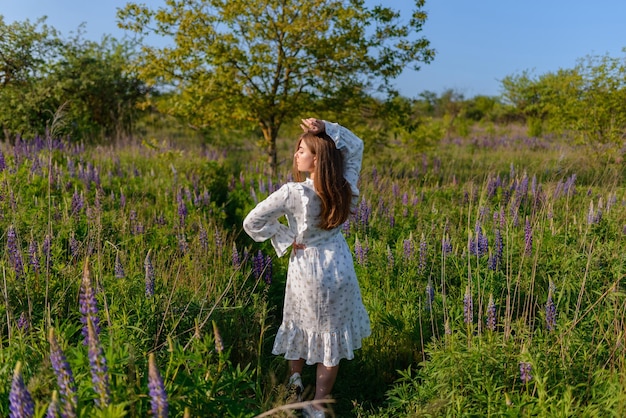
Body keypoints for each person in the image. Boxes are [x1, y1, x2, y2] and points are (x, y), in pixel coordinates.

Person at [243, 118, 371, 418]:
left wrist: (286, 237)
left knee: (300, 325)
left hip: (306, 269)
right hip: (338, 266)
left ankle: (295, 383)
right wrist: (326, 127)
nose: (296, 155)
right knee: (331, 339)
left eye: (302, 150)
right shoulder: (346, 186)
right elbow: (356, 146)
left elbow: (252, 222)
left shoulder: (293, 192)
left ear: (317, 159)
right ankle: (317, 404)